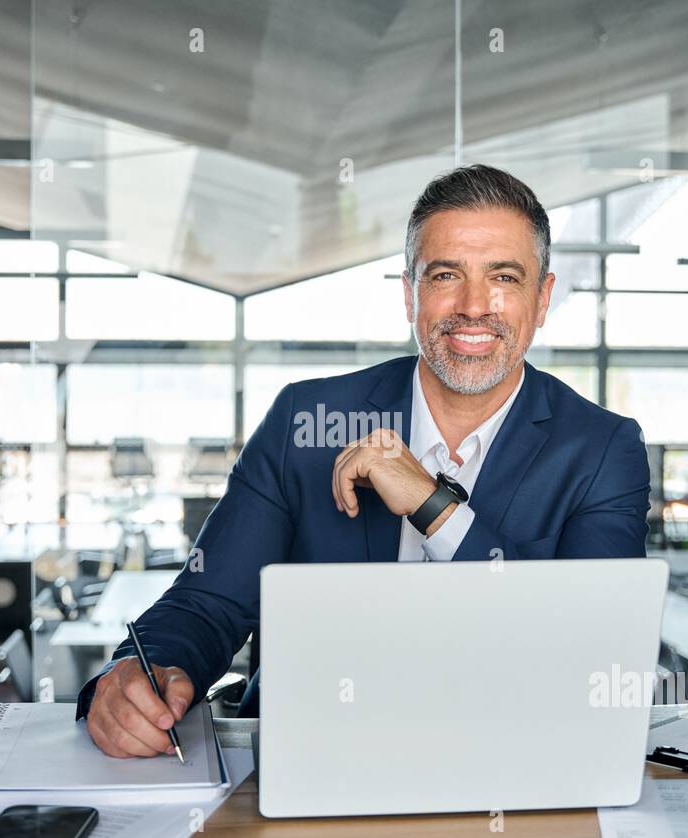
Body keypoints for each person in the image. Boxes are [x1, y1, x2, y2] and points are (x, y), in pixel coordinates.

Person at [78, 164, 650, 758]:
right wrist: (134, 678)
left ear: (542, 297)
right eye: (445, 275)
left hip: (504, 760)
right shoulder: (307, 420)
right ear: (410, 294)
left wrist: (434, 507)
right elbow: (208, 601)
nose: (475, 305)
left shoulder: (603, 450)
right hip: (306, 753)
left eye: (504, 276)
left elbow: (592, 646)